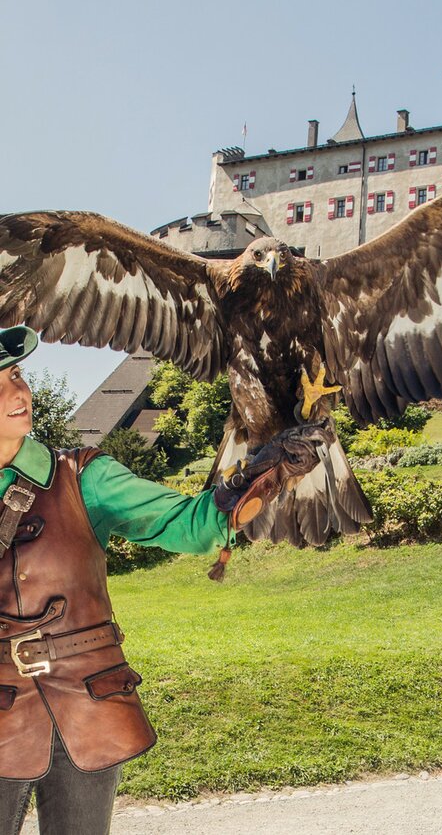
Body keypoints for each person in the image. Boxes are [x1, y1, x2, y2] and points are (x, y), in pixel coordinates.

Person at [0, 325, 327, 835]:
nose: (18, 394)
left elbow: (189, 525)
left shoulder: (84, 478)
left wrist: (257, 478)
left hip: (89, 700)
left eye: (17, 374)